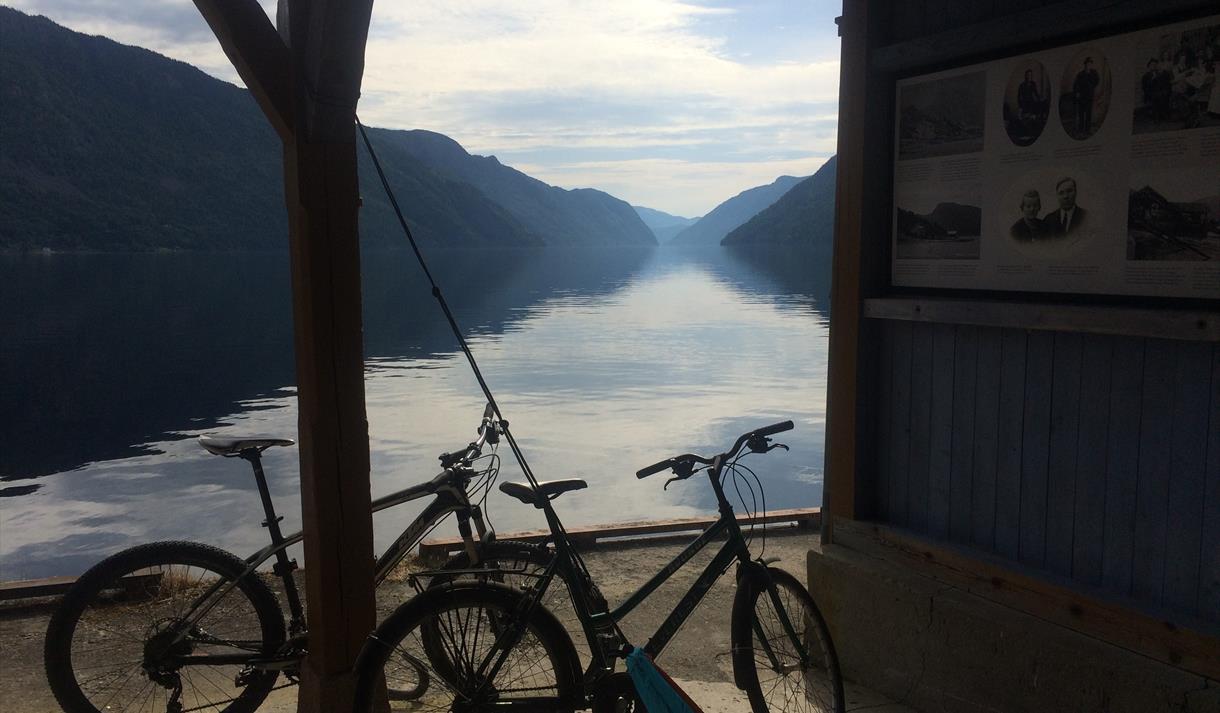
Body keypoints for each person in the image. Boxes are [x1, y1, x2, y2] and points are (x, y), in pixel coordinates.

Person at [1072, 57, 1101, 136]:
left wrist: (1091, 86)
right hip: (1082, 97)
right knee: (1081, 113)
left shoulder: (1094, 73)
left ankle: (1087, 130)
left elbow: (1097, 81)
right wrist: (1077, 92)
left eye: (1090, 64)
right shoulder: (1080, 74)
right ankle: (1081, 129)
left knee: (1088, 114)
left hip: (1089, 96)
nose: (1088, 65)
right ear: (1085, 64)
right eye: (1087, 64)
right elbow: (1076, 84)